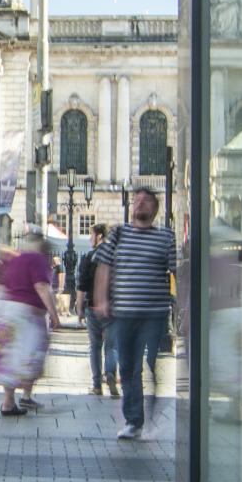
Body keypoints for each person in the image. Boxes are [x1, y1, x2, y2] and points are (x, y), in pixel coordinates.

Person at [94, 187, 177, 441]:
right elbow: (104, 267)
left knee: (151, 365)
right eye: (137, 200)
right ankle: (134, 420)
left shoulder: (166, 237)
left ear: (155, 209)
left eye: (146, 201)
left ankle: (149, 406)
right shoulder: (119, 233)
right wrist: (101, 300)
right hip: (125, 312)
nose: (140, 204)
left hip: (155, 312)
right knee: (129, 367)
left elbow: (177, 272)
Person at [0, 233, 60, 417]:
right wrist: (54, 314)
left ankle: (8, 402)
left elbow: (2, 285)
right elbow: (41, 287)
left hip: (7, 311)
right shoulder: (36, 259)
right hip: (27, 315)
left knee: (10, 357)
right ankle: (26, 395)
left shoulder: (15, 259)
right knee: (31, 355)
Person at [76, 224, 121, 397]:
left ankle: (96, 385)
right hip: (113, 309)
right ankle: (110, 374)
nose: (89, 239)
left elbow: (81, 285)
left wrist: (79, 309)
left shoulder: (89, 257)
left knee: (95, 346)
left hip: (93, 307)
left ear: (100, 236)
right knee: (112, 347)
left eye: (91, 235)